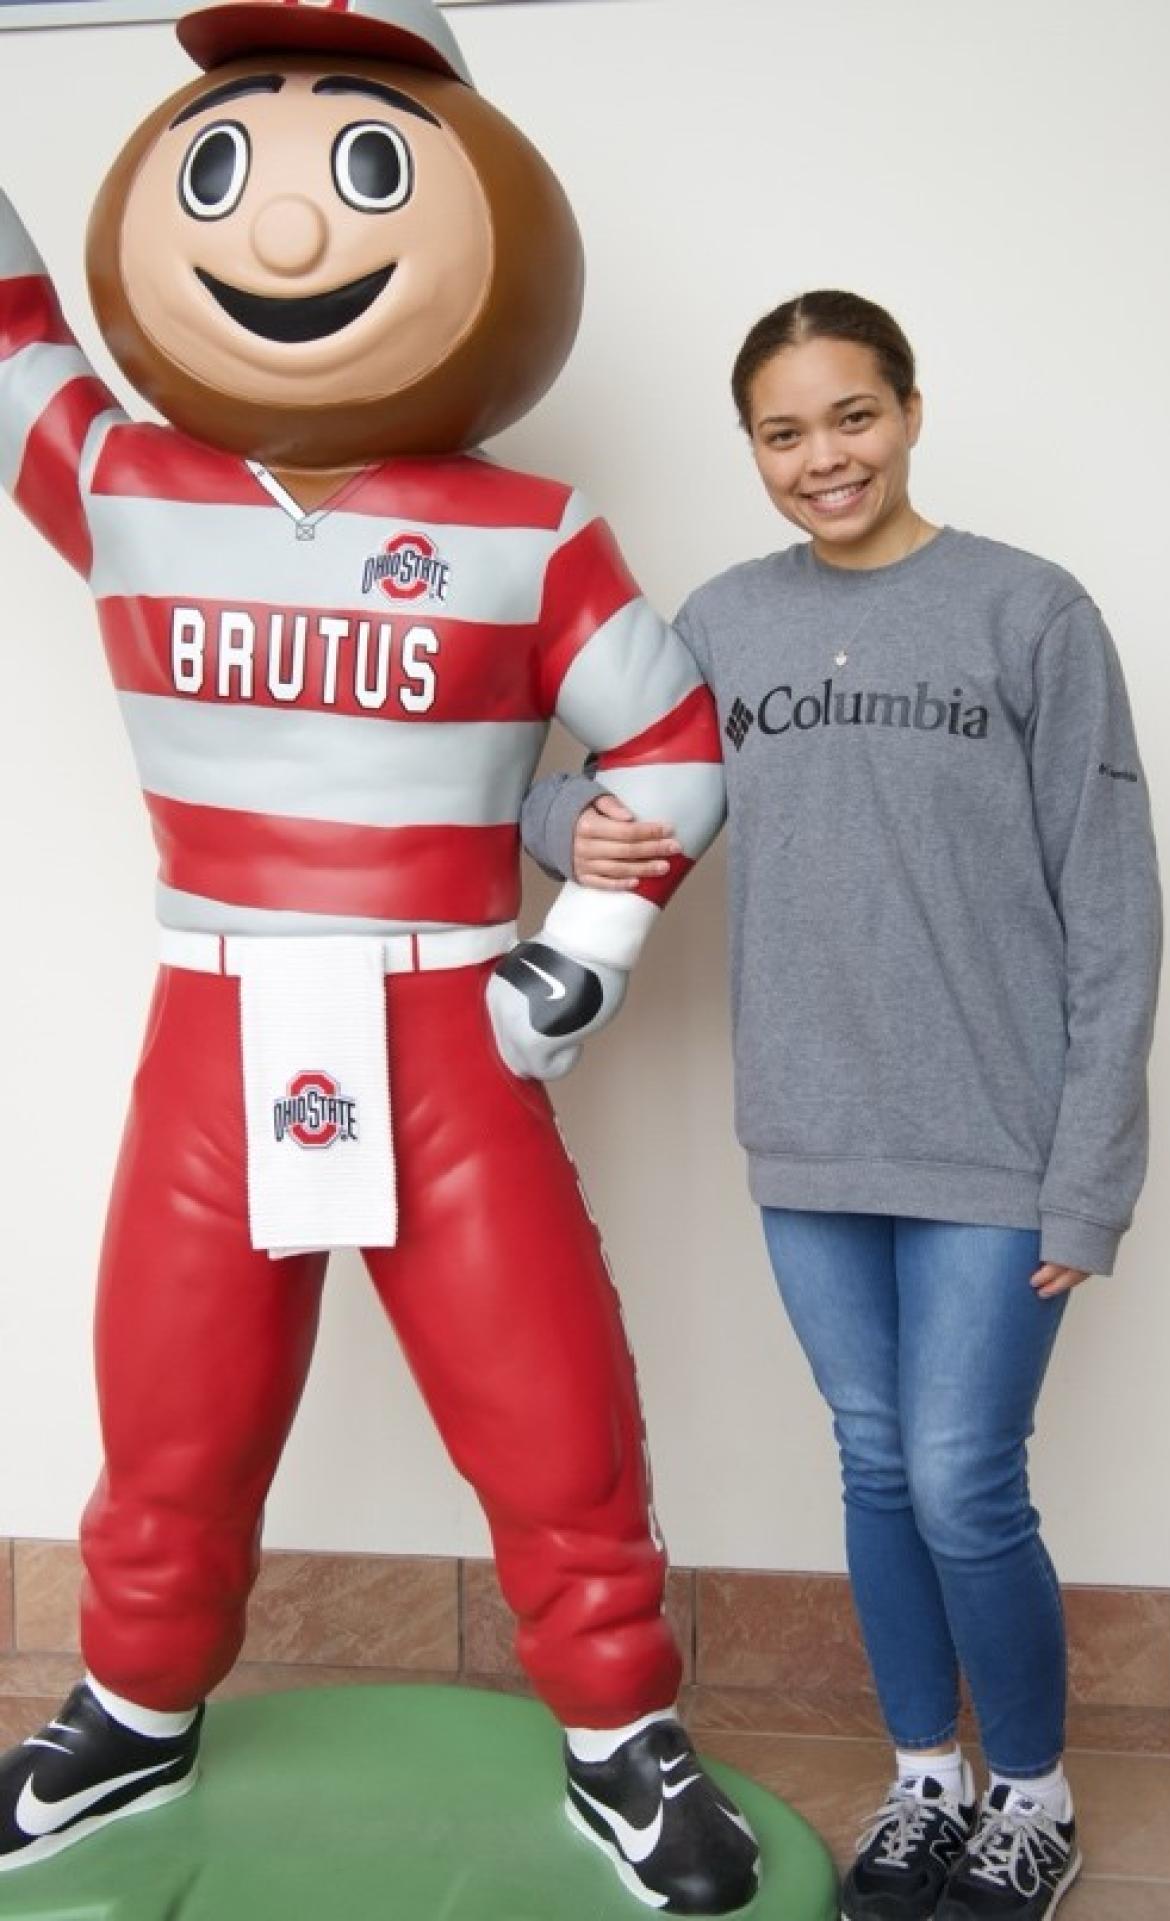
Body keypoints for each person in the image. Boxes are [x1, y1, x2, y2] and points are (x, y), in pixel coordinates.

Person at [0, 2, 760, 1911]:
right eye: (229, 166)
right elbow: (12, 334)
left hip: (447, 1017)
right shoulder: (125, 486)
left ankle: (617, 1736)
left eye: (361, 170)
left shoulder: (530, 525)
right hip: (218, 1003)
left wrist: (576, 948)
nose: (281, 241)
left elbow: (673, 741)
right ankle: (130, 1706)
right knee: (170, 1402)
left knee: (546, 1394)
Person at [521, 289, 1163, 1921]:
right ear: (752, 447)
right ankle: (925, 1780)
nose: (826, 457)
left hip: (996, 1139)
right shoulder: (726, 623)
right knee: (875, 1465)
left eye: (853, 416)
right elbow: (596, 787)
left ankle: (1032, 1792)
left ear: (912, 410)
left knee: (964, 1478)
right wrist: (568, 831)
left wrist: (1088, 1177)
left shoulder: (1032, 611)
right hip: (808, 1136)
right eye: (786, 432)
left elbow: (1114, 905)